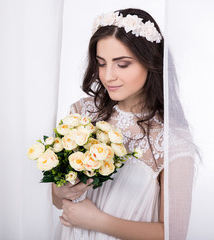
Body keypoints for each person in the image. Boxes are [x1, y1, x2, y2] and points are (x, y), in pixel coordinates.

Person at [52, 8, 196, 240]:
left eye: (122, 64)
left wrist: (97, 221)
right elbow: (59, 201)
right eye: (101, 63)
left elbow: (174, 234)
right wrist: (61, 191)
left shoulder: (171, 140)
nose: (108, 76)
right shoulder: (83, 112)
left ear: (150, 63)